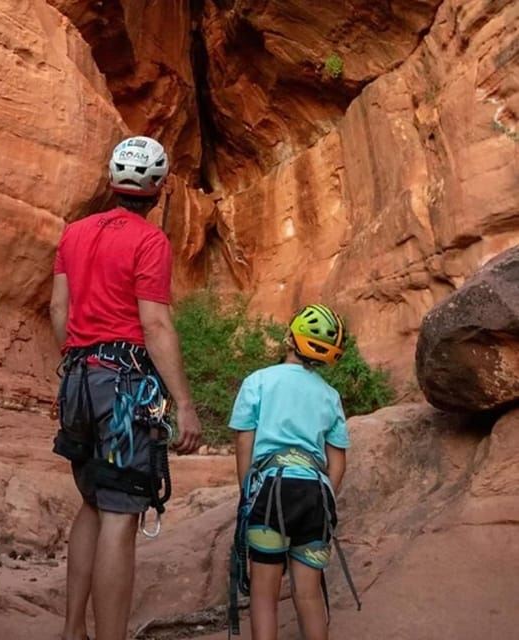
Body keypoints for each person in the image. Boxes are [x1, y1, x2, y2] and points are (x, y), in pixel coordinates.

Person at [49, 135, 202, 640]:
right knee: (120, 514)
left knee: (93, 501)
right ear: (157, 189)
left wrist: (78, 361)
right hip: (125, 388)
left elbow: (58, 311)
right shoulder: (150, 241)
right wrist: (184, 403)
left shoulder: (72, 234)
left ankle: (74, 631)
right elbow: (154, 323)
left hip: (76, 377)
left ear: (112, 180)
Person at [229, 304, 351, 640]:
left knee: (264, 595)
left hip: (272, 491)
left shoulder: (259, 381)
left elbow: (244, 443)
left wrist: (247, 494)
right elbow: (337, 460)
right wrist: (326, 496)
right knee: (309, 595)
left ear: (289, 339)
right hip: (315, 493)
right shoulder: (330, 395)